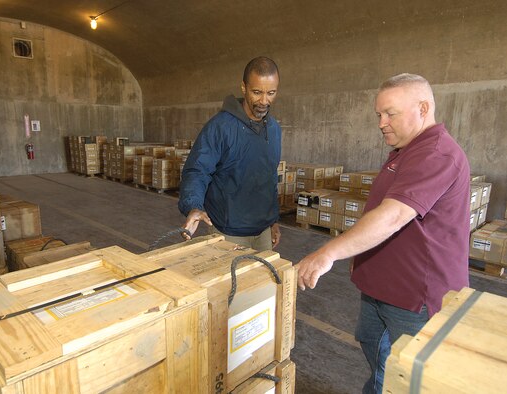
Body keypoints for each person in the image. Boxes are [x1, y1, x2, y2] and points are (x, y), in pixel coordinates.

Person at [296, 73, 470, 394]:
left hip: (413, 297)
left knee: (406, 378)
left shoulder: (436, 154)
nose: (381, 123)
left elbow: (393, 216)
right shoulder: (406, 150)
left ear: (423, 108)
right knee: (379, 362)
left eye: (390, 113)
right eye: (379, 114)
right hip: (381, 289)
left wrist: (328, 252)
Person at [178, 56, 282, 251]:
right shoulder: (220, 127)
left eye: (271, 93)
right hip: (228, 233)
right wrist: (193, 206)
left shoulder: (274, 129)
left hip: (263, 233)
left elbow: (269, 178)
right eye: (257, 92)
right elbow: (197, 170)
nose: (264, 101)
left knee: (263, 282)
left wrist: (273, 220)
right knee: (230, 282)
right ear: (244, 87)